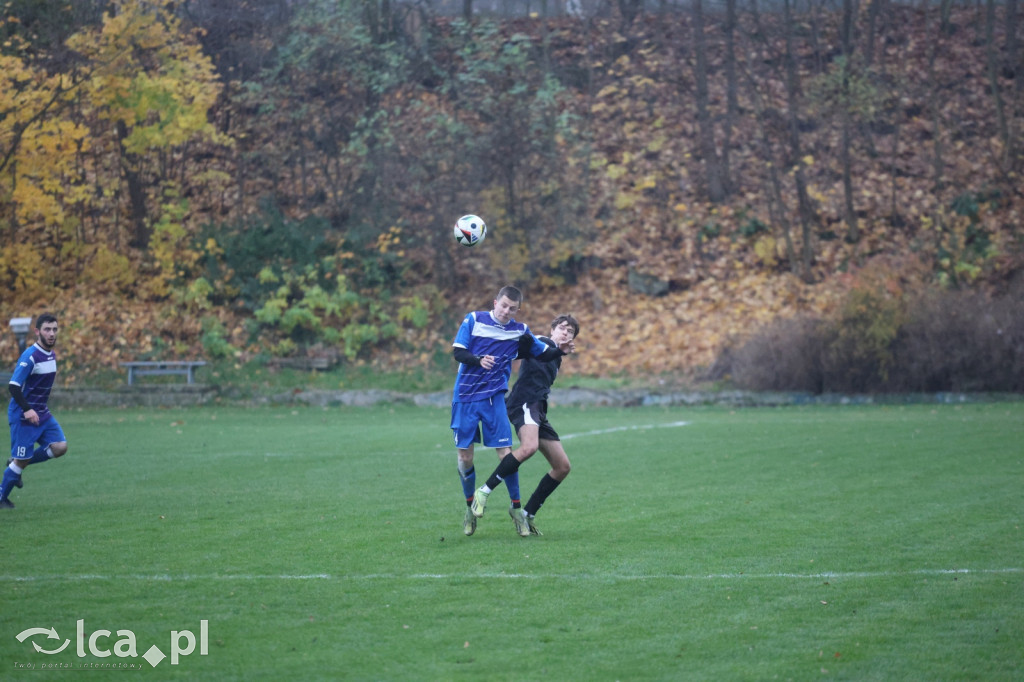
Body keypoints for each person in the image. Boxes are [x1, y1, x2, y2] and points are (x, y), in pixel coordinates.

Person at [451, 286, 574, 537]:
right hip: (465, 397)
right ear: (495, 302)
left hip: (495, 398)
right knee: (465, 458)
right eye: (504, 305)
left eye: (512, 308)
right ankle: (469, 507)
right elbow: (458, 352)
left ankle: (518, 509)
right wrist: (478, 360)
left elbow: (542, 351)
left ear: (518, 310)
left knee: (507, 454)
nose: (507, 311)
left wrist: (560, 350)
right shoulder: (474, 319)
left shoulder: (520, 331)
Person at [2, 313, 69, 509]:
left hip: (42, 413)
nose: (52, 333)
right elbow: (14, 386)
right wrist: (28, 409)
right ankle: (1, 498)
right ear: (37, 331)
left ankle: (15, 462)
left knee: (60, 447)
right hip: (23, 416)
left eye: (55, 329)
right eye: (47, 329)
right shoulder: (30, 356)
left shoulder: (51, 354)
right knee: (20, 461)